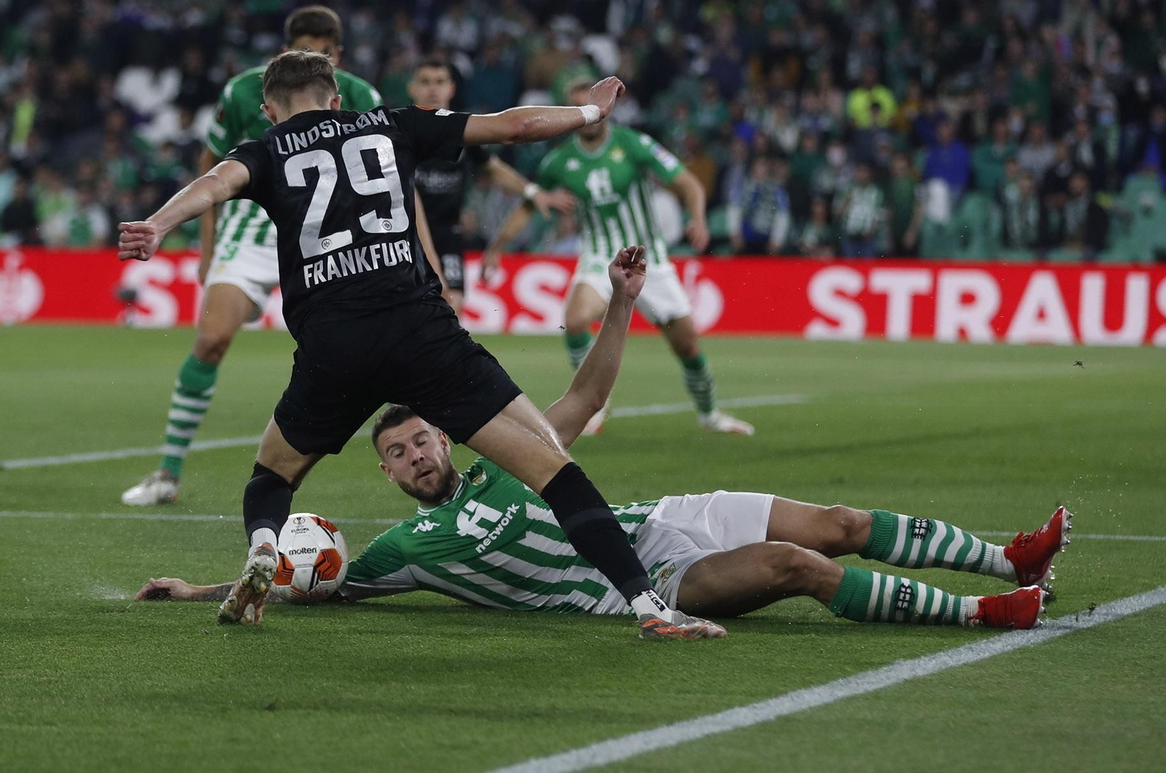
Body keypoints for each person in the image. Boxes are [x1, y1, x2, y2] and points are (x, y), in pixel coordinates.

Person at [137, 245, 1066, 630]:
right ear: (384, 473)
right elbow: (309, 571)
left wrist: (621, 303)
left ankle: (1007, 558)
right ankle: (985, 615)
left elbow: (586, 391)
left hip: (665, 520)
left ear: (448, 440)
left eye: (423, 440)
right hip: (652, 585)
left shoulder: (509, 446)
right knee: (796, 566)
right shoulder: (405, 550)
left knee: (838, 520)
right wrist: (198, 588)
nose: (418, 455)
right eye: (399, 452)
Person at [118, 50, 723, 640]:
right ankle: (649, 605)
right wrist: (589, 115)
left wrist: (158, 226)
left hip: (334, 344)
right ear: (335, 100)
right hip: (419, 330)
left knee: (273, 475)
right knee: (554, 468)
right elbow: (513, 126)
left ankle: (262, 547)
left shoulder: (264, 148)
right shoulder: (391, 122)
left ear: (270, 112)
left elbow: (213, 185)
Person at [121, 6, 384, 508]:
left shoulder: (362, 95)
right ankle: (168, 473)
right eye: (302, 50)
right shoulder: (245, 90)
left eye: (324, 53)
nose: (313, 61)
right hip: (253, 226)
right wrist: (206, 244)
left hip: (328, 229)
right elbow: (212, 164)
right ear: (285, 49)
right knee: (213, 337)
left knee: (370, 350)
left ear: (338, 54)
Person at [480, 78, 753, 437]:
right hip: (599, 255)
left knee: (686, 343)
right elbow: (531, 205)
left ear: (606, 107)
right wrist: (497, 247)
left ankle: (710, 414)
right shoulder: (559, 161)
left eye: (593, 107)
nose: (589, 117)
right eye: (580, 109)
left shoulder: (634, 144)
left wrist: (698, 219)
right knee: (576, 319)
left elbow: (687, 182)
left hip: (648, 259)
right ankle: (592, 402)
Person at [408, 57, 574, 314]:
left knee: (451, 306)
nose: (433, 89)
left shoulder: (462, 131)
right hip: (405, 236)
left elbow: (491, 167)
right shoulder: (400, 133)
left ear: (451, 88)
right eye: (425, 82)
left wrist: (531, 191)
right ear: (412, 88)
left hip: (447, 234)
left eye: (440, 82)